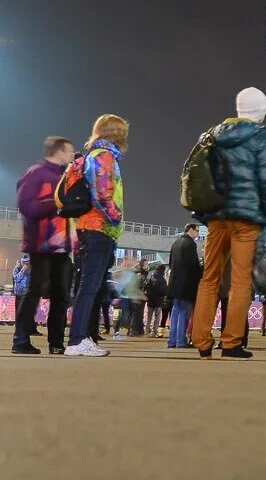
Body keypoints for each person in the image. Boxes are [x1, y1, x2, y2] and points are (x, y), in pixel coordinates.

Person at [191, 87, 266, 360]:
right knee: (240, 281)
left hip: (216, 217)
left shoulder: (212, 135)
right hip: (246, 219)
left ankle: (201, 341)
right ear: (262, 111)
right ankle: (231, 343)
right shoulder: (262, 138)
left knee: (209, 278)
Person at [65, 115, 129, 357]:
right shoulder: (103, 156)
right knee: (89, 286)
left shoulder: (93, 155)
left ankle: (81, 338)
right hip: (98, 228)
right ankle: (77, 340)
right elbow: (103, 194)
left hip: (90, 227)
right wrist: (115, 218)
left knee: (89, 286)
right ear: (117, 134)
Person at [12, 136, 77, 355]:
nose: (71, 155)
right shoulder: (36, 173)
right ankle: (20, 340)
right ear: (59, 151)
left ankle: (56, 343)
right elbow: (26, 206)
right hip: (41, 244)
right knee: (35, 291)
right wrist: (57, 202)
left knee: (61, 294)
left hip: (62, 246)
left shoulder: (65, 177)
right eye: (69, 151)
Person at [168, 224, 202, 349]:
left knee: (175, 312)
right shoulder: (190, 244)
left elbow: (171, 264)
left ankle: (172, 341)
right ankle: (181, 341)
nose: (197, 234)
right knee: (184, 312)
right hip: (186, 284)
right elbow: (193, 266)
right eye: (197, 231)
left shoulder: (176, 243)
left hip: (175, 284)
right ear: (191, 230)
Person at [143, 264, 168, 338]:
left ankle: (147, 331)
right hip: (158, 301)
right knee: (157, 317)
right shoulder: (162, 280)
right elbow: (164, 291)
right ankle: (154, 331)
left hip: (150, 300)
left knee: (149, 317)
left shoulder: (150, 277)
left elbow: (145, 288)